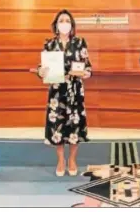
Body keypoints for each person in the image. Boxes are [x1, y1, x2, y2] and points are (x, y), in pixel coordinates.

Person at [37, 9, 92, 177]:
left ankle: (72, 160)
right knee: (57, 126)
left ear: (72, 25)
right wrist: (41, 72)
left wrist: (86, 73)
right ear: (56, 25)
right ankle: (61, 160)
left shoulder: (80, 42)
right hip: (56, 91)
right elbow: (42, 67)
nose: (64, 23)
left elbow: (87, 66)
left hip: (75, 90)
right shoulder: (49, 44)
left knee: (75, 125)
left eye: (67, 20)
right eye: (61, 20)